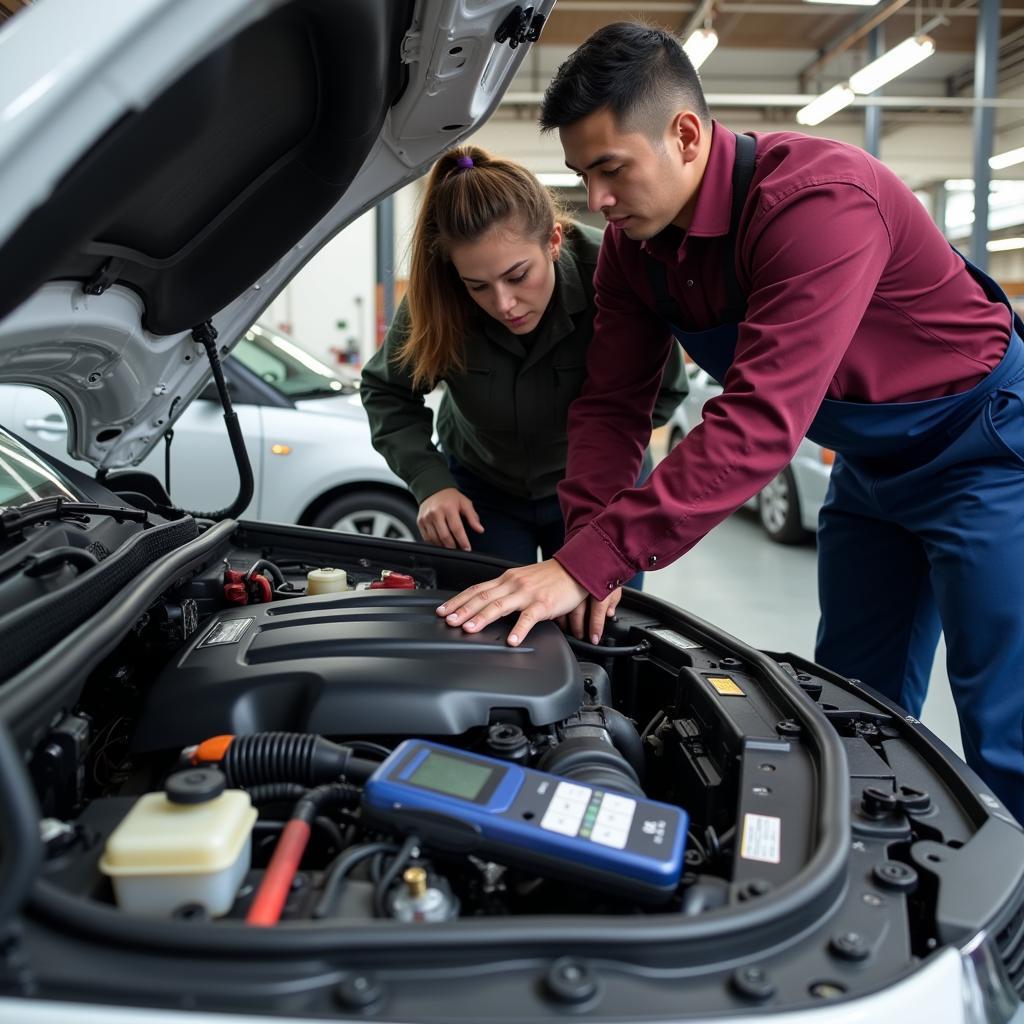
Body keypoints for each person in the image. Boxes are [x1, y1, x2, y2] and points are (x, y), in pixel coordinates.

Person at [438, 22, 1024, 822]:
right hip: (870, 464)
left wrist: (589, 561)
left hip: (984, 449)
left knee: (1006, 725)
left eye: (611, 169)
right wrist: (587, 557)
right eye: (583, 176)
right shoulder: (632, 250)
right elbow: (613, 407)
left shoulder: (818, 204)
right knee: (852, 701)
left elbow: (760, 416)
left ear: (684, 134)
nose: (598, 202)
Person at [361, 144, 688, 583]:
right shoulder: (439, 298)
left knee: (601, 635)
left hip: (601, 486)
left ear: (553, 240)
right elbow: (387, 390)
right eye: (478, 286)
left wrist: (600, 467)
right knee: (478, 632)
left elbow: (663, 391)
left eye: (518, 276)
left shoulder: (614, 277)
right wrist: (430, 481)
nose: (503, 304)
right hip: (480, 493)